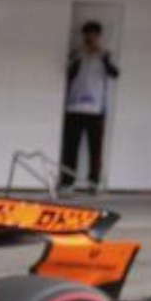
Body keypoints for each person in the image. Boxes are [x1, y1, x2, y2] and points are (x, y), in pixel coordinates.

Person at [62, 20, 118, 193]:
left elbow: (114, 73)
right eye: (88, 35)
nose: (90, 38)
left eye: (94, 35)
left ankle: (94, 183)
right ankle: (67, 181)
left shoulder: (105, 54)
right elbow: (68, 74)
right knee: (71, 148)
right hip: (74, 107)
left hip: (96, 109)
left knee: (95, 149)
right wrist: (79, 56)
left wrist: (102, 56)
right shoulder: (77, 53)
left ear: (99, 36)